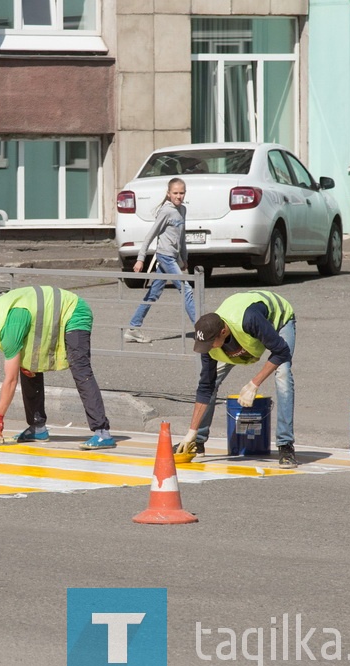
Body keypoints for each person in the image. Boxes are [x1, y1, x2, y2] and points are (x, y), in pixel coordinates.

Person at [0, 285, 116, 450]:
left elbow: (11, 381)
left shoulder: (8, 327)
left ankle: (102, 432)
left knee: (80, 368)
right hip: (54, 316)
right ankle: (37, 428)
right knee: (27, 369)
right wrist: (26, 363)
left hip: (74, 311)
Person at [176, 290, 297, 467]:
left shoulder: (249, 320)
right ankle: (198, 441)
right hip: (244, 342)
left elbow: (281, 351)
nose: (207, 348)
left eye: (210, 344)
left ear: (223, 332)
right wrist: (191, 431)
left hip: (278, 320)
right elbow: (205, 387)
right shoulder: (209, 339)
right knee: (212, 381)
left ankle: (285, 445)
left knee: (283, 375)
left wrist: (254, 384)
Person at [125, 177, 197, 343]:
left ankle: (133, 328)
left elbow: (182, 237)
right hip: (165, 256)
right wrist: (140, 259)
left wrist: (184, 258)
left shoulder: (182, 210)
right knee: (186, 290)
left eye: (182, 193)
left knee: (153, 294)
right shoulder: (166, 211)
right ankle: (200, 329)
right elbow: (151, 235)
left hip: (173, 257)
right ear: (168, 193)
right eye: (175, 193)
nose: (179, 196)